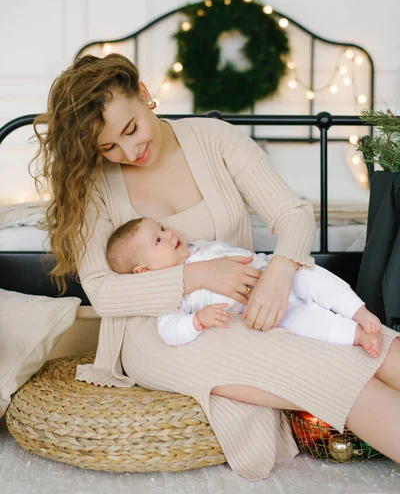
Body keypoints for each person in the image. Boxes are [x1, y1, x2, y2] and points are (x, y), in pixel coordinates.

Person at [32, 53, 400, 481]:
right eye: (108, 146)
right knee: (332, 368)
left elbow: (293, 214)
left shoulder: (213, 138)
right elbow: (103, 290)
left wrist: (279, 274)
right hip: (164, 333)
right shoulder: (94, 183)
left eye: (130, 129)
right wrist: (196, 277)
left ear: (145, 96)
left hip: (251, 300)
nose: (128, 152)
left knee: (377, 341)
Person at [106, 217, 383, 355]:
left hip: (275, 274)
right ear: (144, 271)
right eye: (157, 241)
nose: (168, 235)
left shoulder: (198, 246)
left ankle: (359, 311)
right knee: (306, 323)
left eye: (163, 229)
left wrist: (274, 270)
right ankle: (357, 335)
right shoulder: (171, 295)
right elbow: (168, 330)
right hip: (267, 312)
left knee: (312, 276)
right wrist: (197, 321)